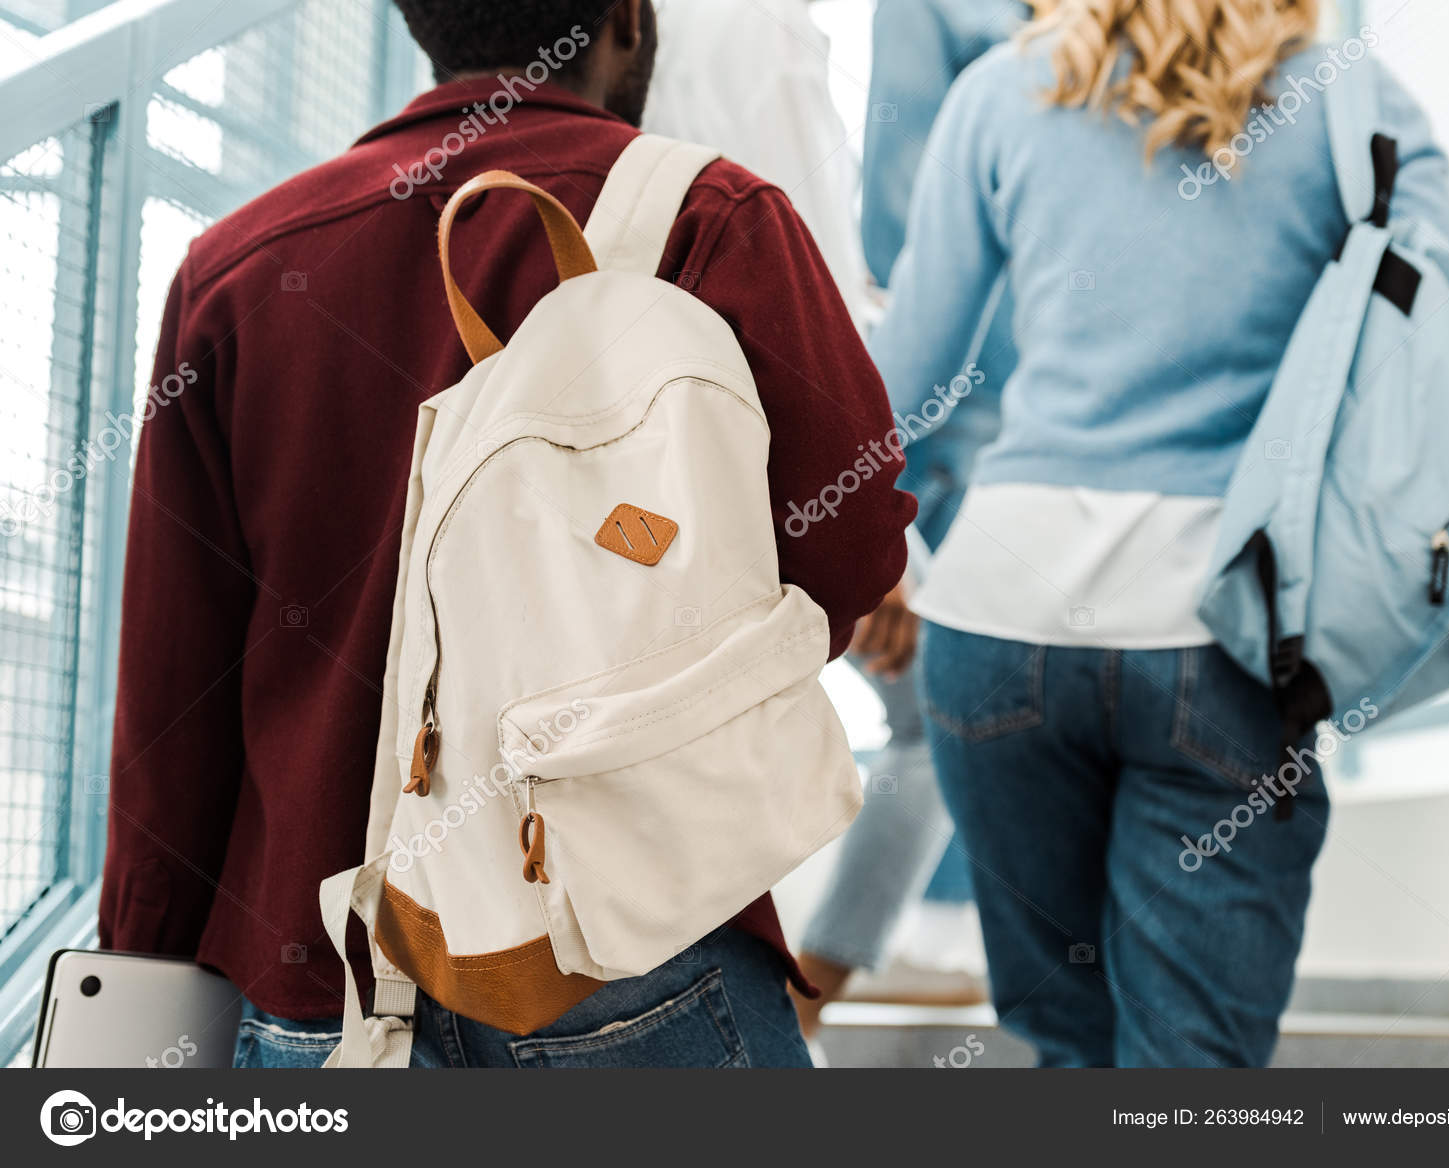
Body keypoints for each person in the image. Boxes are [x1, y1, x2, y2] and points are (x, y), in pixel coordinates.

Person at [98, 0, 914, 1069]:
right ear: (626, 18)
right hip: (632, 942)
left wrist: (140, 968)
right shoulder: (715, 221)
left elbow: (173, 697)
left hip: (318, 969)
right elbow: (848, 554)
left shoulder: (236, 267)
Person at [871, 0, 1449, 1066]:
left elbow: (899, 393)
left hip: (996, 626)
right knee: (1191, 1073)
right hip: (1227, 633)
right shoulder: (1348, 97)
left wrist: (868, 565)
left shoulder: (1001, 94)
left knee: (1066, 1044)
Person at [789, 0, 1028, 1039]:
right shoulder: (945, 11)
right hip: (937, 389)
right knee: (936, 704)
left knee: (953, 705)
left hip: (1002, 401)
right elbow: (898, 206)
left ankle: (837, 972)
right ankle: (812, 986)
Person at [643, 0, 869, 321]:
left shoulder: (677, 14)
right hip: (765, 318)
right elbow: (809, 242)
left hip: (687, 312)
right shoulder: (771, 23)